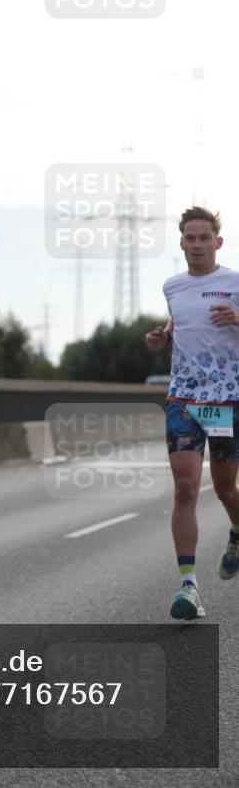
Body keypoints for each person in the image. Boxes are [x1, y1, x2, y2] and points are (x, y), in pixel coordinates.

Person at [145, 206, 239, 621]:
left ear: (217, 243)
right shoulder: (173, 286)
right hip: (183, 399)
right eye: (190, 238)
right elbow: (181, 319)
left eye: (205, 239)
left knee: (224, 490)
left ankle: (236, 533)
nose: (197, 245)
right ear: (181, 243)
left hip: (224, 400)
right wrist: (163, 336)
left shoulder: (235, 283)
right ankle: (189, 587)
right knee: (185, 489)